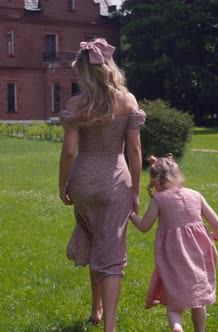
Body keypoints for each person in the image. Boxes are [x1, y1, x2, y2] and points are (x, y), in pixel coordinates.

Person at [58, 38, 146, 332]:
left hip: (83, 181)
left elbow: (69, 151)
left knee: (95, 240)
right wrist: (135, 191)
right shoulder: (128, 101)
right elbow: (134, 151)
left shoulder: (75, 104)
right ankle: (109, 326)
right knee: (111, 253)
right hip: (115, 181)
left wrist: (63, 185)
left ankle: (96, 309)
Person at [129, 154, 218, 332]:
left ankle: (177, 326)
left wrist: (131, 214)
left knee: (174, 301)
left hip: (173, 255)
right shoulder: (195, 194)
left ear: (156, 180)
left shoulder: (159, 200)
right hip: (198, 254)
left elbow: (144, 226)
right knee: (198, 298)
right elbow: (216, 222)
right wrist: (216, 235)